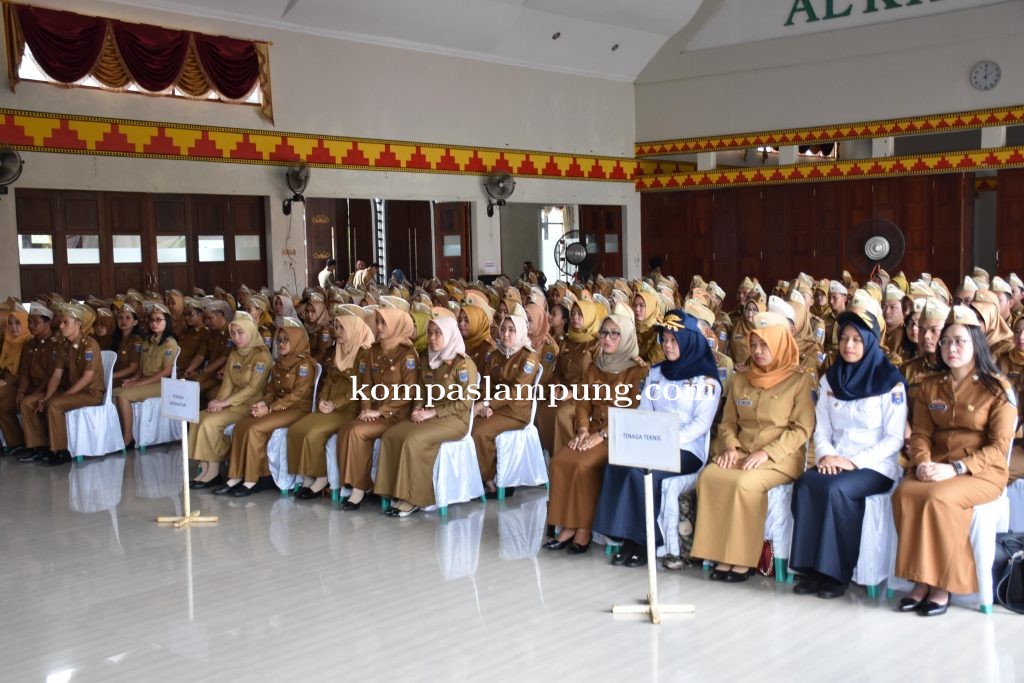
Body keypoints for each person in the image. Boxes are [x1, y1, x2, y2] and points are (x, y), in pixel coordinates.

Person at [893, 306, 1016, 616]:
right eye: (946, 342)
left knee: (937, 499)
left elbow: (999, 447)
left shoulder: (997, 388)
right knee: (906, 493)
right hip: (937, 467)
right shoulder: (930, 385)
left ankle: (941, 586)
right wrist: (921, 462)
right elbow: (920, 433)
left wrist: (956, 468)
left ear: (977, 344)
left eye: (960, 341)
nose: (951, 348)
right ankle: (919, 581)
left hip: (981, 472)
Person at [789, 310, 906, 599]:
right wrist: (828, 457)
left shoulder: (891, 381)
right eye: (844, 339)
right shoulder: (832, 378)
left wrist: (852, 462)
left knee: (837, 491)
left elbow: (893, 439)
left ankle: (835, 573)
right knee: (806, 484)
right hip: (835, 460)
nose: (849, 346)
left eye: (856, 340)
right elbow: (822, 429)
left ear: (869, 341)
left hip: (875, 466)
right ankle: (811, 568)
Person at [691, 312, 815, 582]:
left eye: (765, 345)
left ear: (781, 344)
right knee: (710, 476)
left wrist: (767, 453)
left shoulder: (799, 380)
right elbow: (728, 423)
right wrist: (731, 448)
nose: (757, 351)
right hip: (742, 453)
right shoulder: (740, 379)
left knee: (744, 484)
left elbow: (802, 428)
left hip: (781, 458)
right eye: (754, 344)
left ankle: (742, 560)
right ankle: (718, 554)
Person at [592, 310, 720, 567]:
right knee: (617, 466)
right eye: (665, 340)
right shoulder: (657, 373)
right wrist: (642, 437)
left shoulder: (706, 380)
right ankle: (627, 536)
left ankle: (646, 542)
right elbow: (644, 409)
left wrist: (666, 440)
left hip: (685, 449)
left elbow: (700, 426)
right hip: (653, 442)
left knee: (644, 476)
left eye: (674, 341)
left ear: (688, 342)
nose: (667, 346)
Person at [545, 309, 648, 554]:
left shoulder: (638, 372)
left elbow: (635, 412)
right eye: (604, 332)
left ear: (627, 337)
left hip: (619, 435)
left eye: (615, 334)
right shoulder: (594, 367)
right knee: (561, 461)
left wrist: (601, 435)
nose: (607, 338)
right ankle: (568, 525)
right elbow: (583, 403)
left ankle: (584, 528)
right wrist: (581, 429)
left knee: (583, 465)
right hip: (592, 431)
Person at [375, 317, 479, 516]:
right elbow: (421, 390)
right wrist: (417, 409)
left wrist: (432, 412)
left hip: (454, 420)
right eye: (430, 333)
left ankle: (414, 498)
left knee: (413, 440)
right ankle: (392, 492)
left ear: (449, 334)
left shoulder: (463, 364)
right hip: (429, 415)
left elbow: (465, 403)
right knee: (391, 435)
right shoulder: (427, 359)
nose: (432, 338)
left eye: (438, 333)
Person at [215, 318, 315, 497]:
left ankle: (253, 480)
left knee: (254, 429)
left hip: (297, 409)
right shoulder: (280, 362)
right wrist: (264, 403)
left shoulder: (305, 364)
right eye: (280, 340)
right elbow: (270, 391)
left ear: (297, 341)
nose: (282, 344)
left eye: (286, 340)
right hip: (277, 407)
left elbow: (298, 395)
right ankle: (235, 476)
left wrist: (270, 409)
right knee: (241, 426)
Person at [334, 309, 419, 507]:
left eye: (383, 323)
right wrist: (365, 409)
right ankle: (357, 484)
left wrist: (380, 411)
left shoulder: (407, 354)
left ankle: (358, 489)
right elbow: (365, 386)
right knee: (347, 428)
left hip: (397, 416)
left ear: (396, 325)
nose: (378, 327)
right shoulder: (373, 351)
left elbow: (409, 392)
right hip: (374, 413)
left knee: (356, 431)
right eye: (378, 322)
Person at [288, 314, 374, 500]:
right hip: (329, 406)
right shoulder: (339, 350)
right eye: (335, 326)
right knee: (297, 429)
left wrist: (336, 403)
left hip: (349, 408)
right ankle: (307, 475)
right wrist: (322, 399)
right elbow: (327, 380)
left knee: (314, 432)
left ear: (353, 329)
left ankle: (321, 477)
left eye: (341, 327)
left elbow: (359, 388)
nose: (336, 331)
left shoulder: (364, 354)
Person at [186, 312, 273, 489]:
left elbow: (253, 389)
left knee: (210, 423)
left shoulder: (261, 356)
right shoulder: (234, 354)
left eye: (241, 333)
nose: (236, 337)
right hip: (231, 404)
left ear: (250, 331)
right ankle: (206, 469)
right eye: (233, 333)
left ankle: (214, 471)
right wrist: (217, 402)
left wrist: (224, 404)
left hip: (249, 405)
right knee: (200, 417)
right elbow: (227, 383)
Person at [19, 303, 106, 466]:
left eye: (66, 322)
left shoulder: (90, 345)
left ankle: (60, 451)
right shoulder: (63, 345)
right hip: (71, 391)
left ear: (78, 324)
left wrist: (61, 396)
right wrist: (46, 397)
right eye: (61, 322)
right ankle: (39, 446)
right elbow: (56, 376)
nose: (61, 326)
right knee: (28, 403)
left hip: (90, 393)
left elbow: (87, 378)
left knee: (54, 404)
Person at [472, 315, 541, 496]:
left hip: (515, 412)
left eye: (512, 330)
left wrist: (487, 403)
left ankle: (489, 481)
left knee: (479, 431)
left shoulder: (529, 356)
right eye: (503, 329)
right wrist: (485, 405)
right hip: (495, 408)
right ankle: (479, 476)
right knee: (471, 425)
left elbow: (516, 391)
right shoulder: (496, 354)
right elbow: (485, 383)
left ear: (520, 333)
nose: (506, 334)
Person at [112, 303, 179, 448]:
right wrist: (133, 379)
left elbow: (167, 371)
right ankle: (117, 434)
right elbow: (141, 369)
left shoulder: (169, 343)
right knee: (114, 393)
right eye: (152, 320)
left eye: (158, 320)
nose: (154, 323)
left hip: (163, 384)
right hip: (147, 381)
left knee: (123, 396)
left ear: (166, 322)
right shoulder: (148, 341)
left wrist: (141, 383)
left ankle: (128, 438)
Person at [4, 303, 59, 459]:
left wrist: (32, 393)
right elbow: (25, 373)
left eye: (35, 322)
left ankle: (38, 447)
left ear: (47, 323)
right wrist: (21, 391)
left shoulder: (55, 344)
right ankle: (17, 442)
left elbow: (51, 375)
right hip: (31, 387)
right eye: (29, 321)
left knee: (27, 402)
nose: (31, 325)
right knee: (3, 403)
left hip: (50, 388)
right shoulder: (30, 344)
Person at [526, 302, 558, 385]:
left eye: (530, 320)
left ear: (539, 321)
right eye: (524, 319)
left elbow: (544, 377)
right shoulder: (520, 339)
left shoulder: (548, 347)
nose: (526, 324)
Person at [457, 304, 495, 371]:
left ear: (478, 322)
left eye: (466, 320)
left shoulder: (489, 348)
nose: (461, 324)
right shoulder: (458, 343)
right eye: (459, 320)